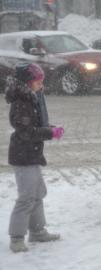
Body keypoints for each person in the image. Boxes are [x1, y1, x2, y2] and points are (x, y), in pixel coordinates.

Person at [6, 62, 64, 253]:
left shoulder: (31, 98)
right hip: (23, 156)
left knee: (38, 193)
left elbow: (36, 125)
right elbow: (26, 131)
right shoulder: (22, 102)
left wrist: (51, 129)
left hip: (31, 154)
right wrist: (50, 133)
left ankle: (37, 231)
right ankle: (16, 237)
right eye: (38, 82)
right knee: (27, 197)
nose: (41, 85)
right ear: (28, 83)